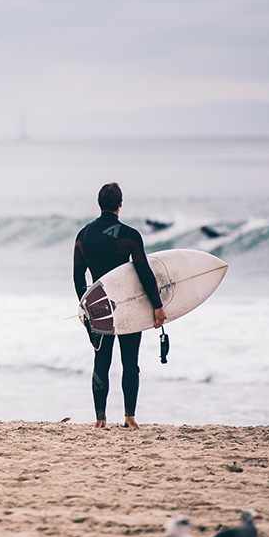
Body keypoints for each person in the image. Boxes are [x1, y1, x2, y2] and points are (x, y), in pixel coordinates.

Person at [73, 183, 166, 430]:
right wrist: (157, 306)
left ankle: (100, 420)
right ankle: (129, 418)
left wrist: (86, 305)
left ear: (99, 203)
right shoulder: (129, 235)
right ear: (120, 204)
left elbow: (78, 275)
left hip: (100, 307)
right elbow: (144, 272)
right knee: (130, 361)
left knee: (101, 361)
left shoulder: (83, 235)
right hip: (127, 306)